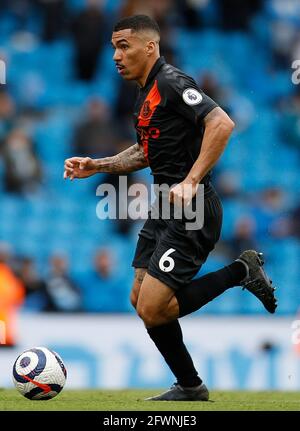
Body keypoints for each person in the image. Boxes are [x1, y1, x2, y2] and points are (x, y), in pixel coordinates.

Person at [64, 15, 277, 401]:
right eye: (113, 46)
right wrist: (98, 165)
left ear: (150, 47)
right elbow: (146, 152)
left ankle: (241, 270)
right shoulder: (145, 92)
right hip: (164, 206)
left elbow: (221, 123)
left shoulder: (171, 82)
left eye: (123, 46)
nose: (115, 55)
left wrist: (191, 180)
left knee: (154, 307)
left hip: (192, 207)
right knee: (139, 298)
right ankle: (191, 386)